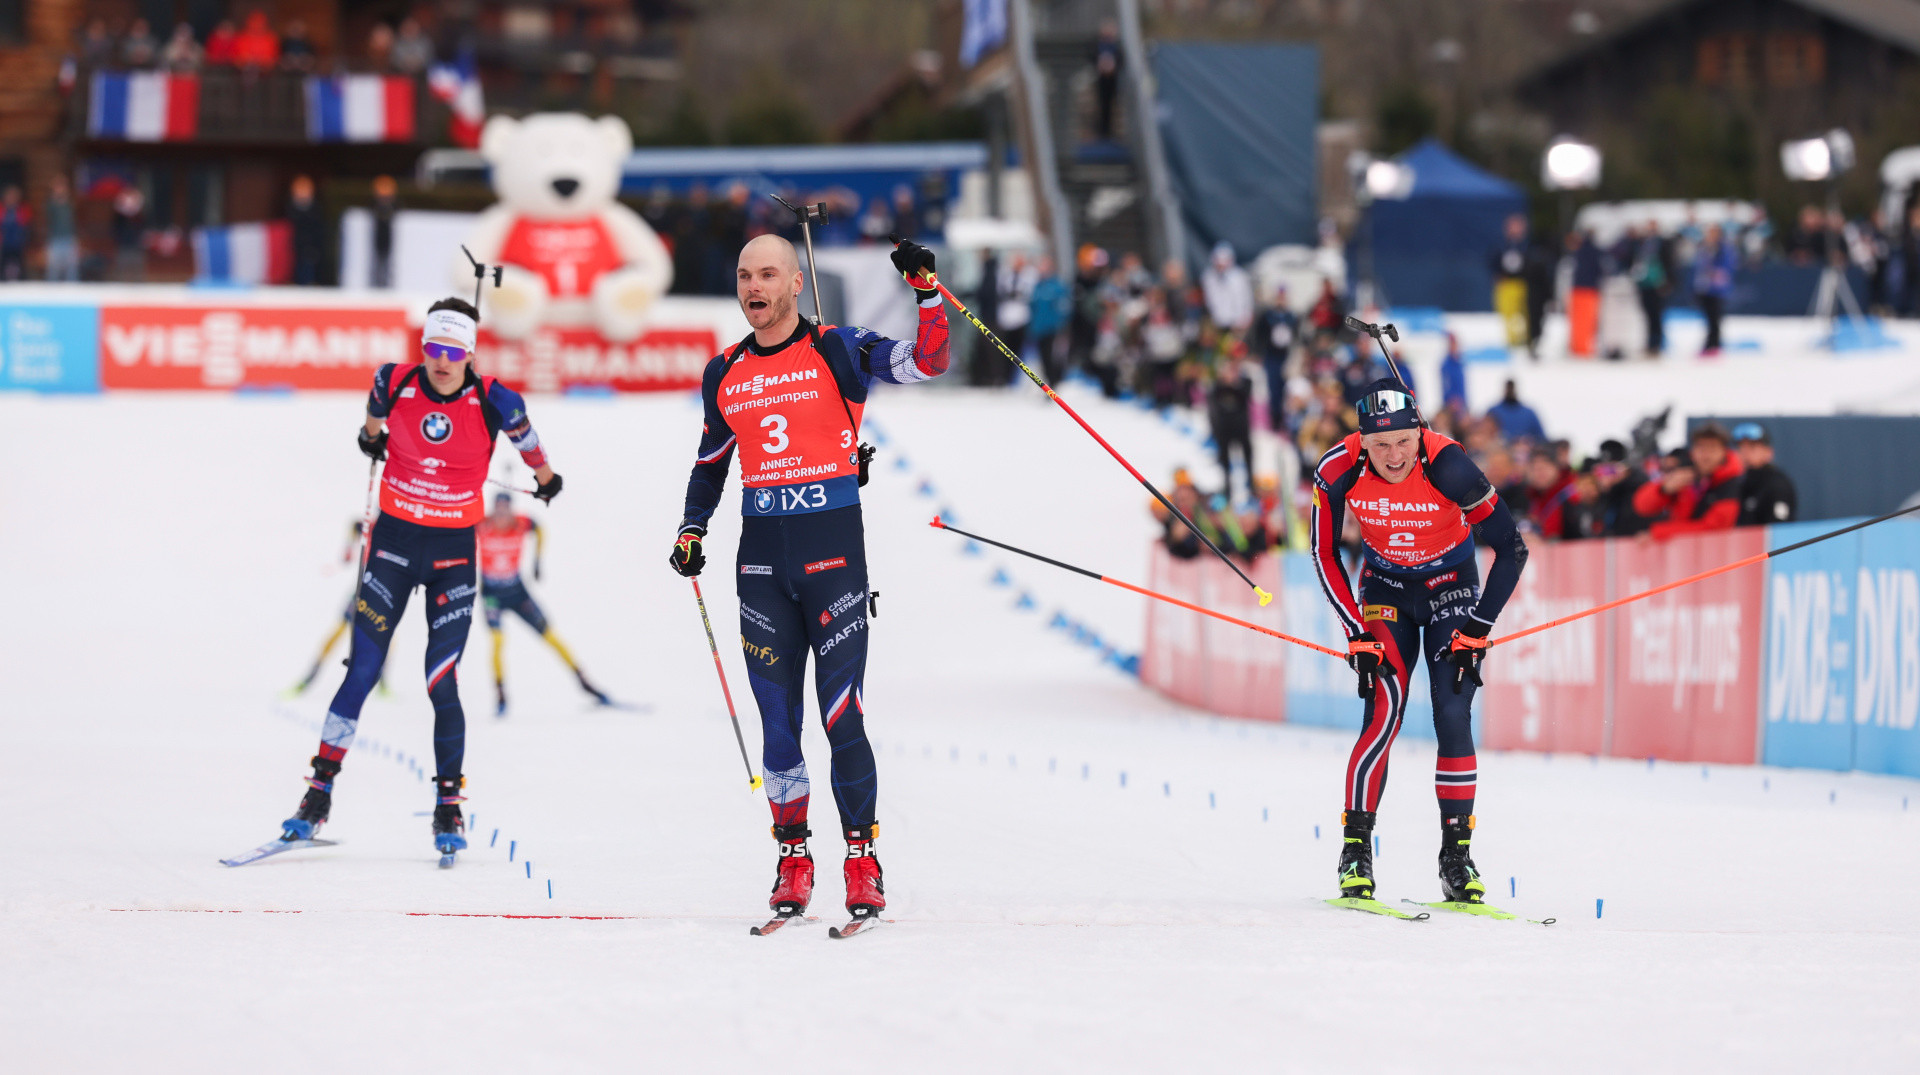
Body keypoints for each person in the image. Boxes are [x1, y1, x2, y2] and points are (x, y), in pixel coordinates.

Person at [668, 234, 950, 928]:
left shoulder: (837, 349)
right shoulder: (723, 370)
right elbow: (711, 462)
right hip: (761, 567)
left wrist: (927, 292)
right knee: (778, 727)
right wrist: (691, 527)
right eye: (743, 275)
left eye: (768, 273)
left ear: (797, 282)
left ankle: (862, 856)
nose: (753, 285)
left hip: (833, 564)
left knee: (841, 714)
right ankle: (793, 854)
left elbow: (928, 362)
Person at [277, 298, 563, 862]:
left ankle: (448, 807)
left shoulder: (493, 399)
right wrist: (370, 436)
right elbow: (373, 414)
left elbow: (529, 442)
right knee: (361, 671)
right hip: (392, 549)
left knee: (441, 681)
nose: (442, 360)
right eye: (434, 347)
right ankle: (317, 796)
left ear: (469, 353)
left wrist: (547, 478)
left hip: (454, 555)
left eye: (454, 350)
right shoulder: (395, 380)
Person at [1310, 381, 1528, 907]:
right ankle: (1355, 851)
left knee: (1452, 712)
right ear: (1362, 441)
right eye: (1380, 445)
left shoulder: (1450, 465)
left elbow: (1511, 548)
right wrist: (1356, 632)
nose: (1393, 456)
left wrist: (1478, 627)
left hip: (1451, 587)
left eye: (1404, 441)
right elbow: (1323, 552)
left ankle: (1457, 857)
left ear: (1420, 431)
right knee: (1384, 710)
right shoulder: (1337, 468)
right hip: (1385, 590)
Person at [478, 491, 611, 715]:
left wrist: (537, 561)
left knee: (550, 635)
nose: (501, 516)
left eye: (505, 510)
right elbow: (458, 535)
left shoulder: (521, 523)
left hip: (517, 592)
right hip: (491, 593)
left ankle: (583, 680)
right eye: (497, 510)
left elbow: (540, 529)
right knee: (498, 640)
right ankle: (500, 693)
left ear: (511, 510)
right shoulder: (482, 525)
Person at [1632, 423, 1744, 539]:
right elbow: (1642, 506)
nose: (1706, 455)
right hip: (1682, 551)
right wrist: (1664, 489)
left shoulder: (1730, 482)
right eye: (1701, 448)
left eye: (1712, 448)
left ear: (1724, 452)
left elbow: (1715, 528)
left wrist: (1658, 533)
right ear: (1693, 452)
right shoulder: (1685, 475)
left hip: (1718, 551)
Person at [1207, 344, 1256, 500]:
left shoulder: (1245, 380)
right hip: (1224, 427)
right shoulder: (1218, 384)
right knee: (1225, 457)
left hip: (1241, 426)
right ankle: (1228, 487)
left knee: (1247, 455)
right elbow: (1213, 400)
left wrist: (1235, 384)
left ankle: (1251, 485)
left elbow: (1246, 395)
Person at [1733, 422, 1797, 526]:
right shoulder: (1737, 484)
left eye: (1752, 447)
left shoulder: (1778, 485)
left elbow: (1780, 529)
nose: (1745, 452)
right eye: (1741, 447)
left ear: (1768, 452)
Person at [1255, 283, 1299, 431]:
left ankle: (1287, 421)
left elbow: (1296, 336)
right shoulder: (1267, 316)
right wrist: (1259, 353)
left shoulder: (1292, 317)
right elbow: (1259, 336)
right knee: (1273, 389)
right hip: (1271, 356)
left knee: (1286, 388)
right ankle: (1274, 419)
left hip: (1286, 357)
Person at [1628, 220, 1674, 357]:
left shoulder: (1662, 243)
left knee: (1657, 315)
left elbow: (1669, 262)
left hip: (1658, 284)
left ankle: (1657, 344)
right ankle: (1649, 343)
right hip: (1644, 284)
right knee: (1647, 315)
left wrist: (1668, 281)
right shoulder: (1641, 243)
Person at [1693, 224, 1736, 357]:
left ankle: (1715, 345)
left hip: (1717, 290)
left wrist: (1716, 273)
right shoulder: (1704, 248)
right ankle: (1709, 344)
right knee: (1708, 318)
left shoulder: (1724, 249)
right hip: (1705, 288)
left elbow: (1728, 267)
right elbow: (1698, 267)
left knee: (1715, 318)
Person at [1028, 255, 1069, 385]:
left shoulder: (1057, 286)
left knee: (1054, 358)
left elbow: (1064, 308)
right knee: (1043, 359)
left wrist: (1060, 325)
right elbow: (1032, 307)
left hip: (1053, 329)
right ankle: (1047, 383)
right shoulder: (1038, 286)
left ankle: (1054, 382)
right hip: (1039, 329)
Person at [1490, 214, 1529, 349]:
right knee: (1508, 313)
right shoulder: (1501, 246)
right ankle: (1512, 339)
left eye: (1518, 227)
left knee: (1524, 313)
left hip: (1521, 283)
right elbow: (1493, 262)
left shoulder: (1526, 246)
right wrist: (1498, 275)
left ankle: (1524, 338)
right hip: (1506, 284)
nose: (1515, 230)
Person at [1200, 241, 1254, 336]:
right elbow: (1209, 301)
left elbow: (1247, 299)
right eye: (1219, 263)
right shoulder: (1208, 277)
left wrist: (1244, 320)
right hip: (1217, 324)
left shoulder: (1240, 277)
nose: (1221, 266)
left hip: (1238, 324)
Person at [1566, 230, 1602, 358]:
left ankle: (1578, 346)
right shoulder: (1595, 252)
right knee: (1587, 320)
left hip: (1580, 290)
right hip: (1590, 290)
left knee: (1578, 320)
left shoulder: (1579, 252)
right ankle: (1582, 347)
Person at [288, 175, 325, 286]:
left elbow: (319, 230)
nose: (303, 192)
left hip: (311, 247)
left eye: (306, 189)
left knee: (309, 268)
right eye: (300, 189)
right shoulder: (289, 207)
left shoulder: (317, 209)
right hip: (293, 246)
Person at [1485, 379, 1546, 445]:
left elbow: (1541, 438)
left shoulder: (1529, 413)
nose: (1510, 391)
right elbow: (1484, 434)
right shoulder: (1493, 412)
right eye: (1508, 388)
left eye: (1511, 388)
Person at [1091, 19, 1121, 140]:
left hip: (1112, 79)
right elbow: (1092, 57)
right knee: (1102, 104)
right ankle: (1102, 130)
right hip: (1102, 79)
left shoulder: (1115, 47)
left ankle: (1109, 131)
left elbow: (1120, 60)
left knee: (1111, 105)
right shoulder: (1098, 45)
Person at [44, 176, 78, 282]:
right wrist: (55, 197)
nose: (60, 189)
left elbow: (74, 220)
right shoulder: (50, 203)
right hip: (55, 238)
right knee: (53, 268)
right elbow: (48, 215)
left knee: (72, 267)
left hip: (69, 238)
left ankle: (73, 291)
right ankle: (51, 292)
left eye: (62, 186)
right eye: (57, 186)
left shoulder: (70, 203)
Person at [0, 186, 30, 281]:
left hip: (18, 243)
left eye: (14, 196)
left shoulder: (22, 209)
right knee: (3, 265)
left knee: (20, 266)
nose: (11, 198)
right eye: (9, 196)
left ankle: (21, 284)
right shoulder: (2, 209)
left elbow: (26, 223)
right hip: (4, 243)